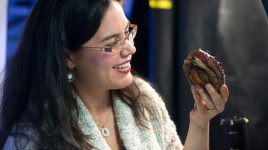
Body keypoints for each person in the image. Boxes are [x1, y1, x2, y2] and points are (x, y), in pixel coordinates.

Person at [0, 0, 229, 149]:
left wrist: (199, 122)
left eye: (128, 32)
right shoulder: (31, 140)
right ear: (67, 57)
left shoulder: (143, 100)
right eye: (112, 43)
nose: (130, 48)